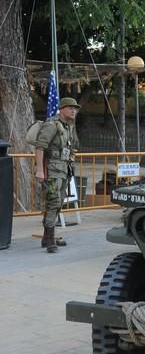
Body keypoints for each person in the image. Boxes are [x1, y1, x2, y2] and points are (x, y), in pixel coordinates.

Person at [34, 97, 80, 253]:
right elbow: (40, 147)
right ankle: (50, 240)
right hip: (51, 170)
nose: (74, 110)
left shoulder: (68, 126)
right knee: (53, 201)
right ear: (61, 109)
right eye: (70, 107)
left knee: (58, 202)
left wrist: (71, 159)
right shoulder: (51, 124)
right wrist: (40, 170)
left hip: (63, 169)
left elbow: (73, 147)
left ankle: (46, 238)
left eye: (75, 108)